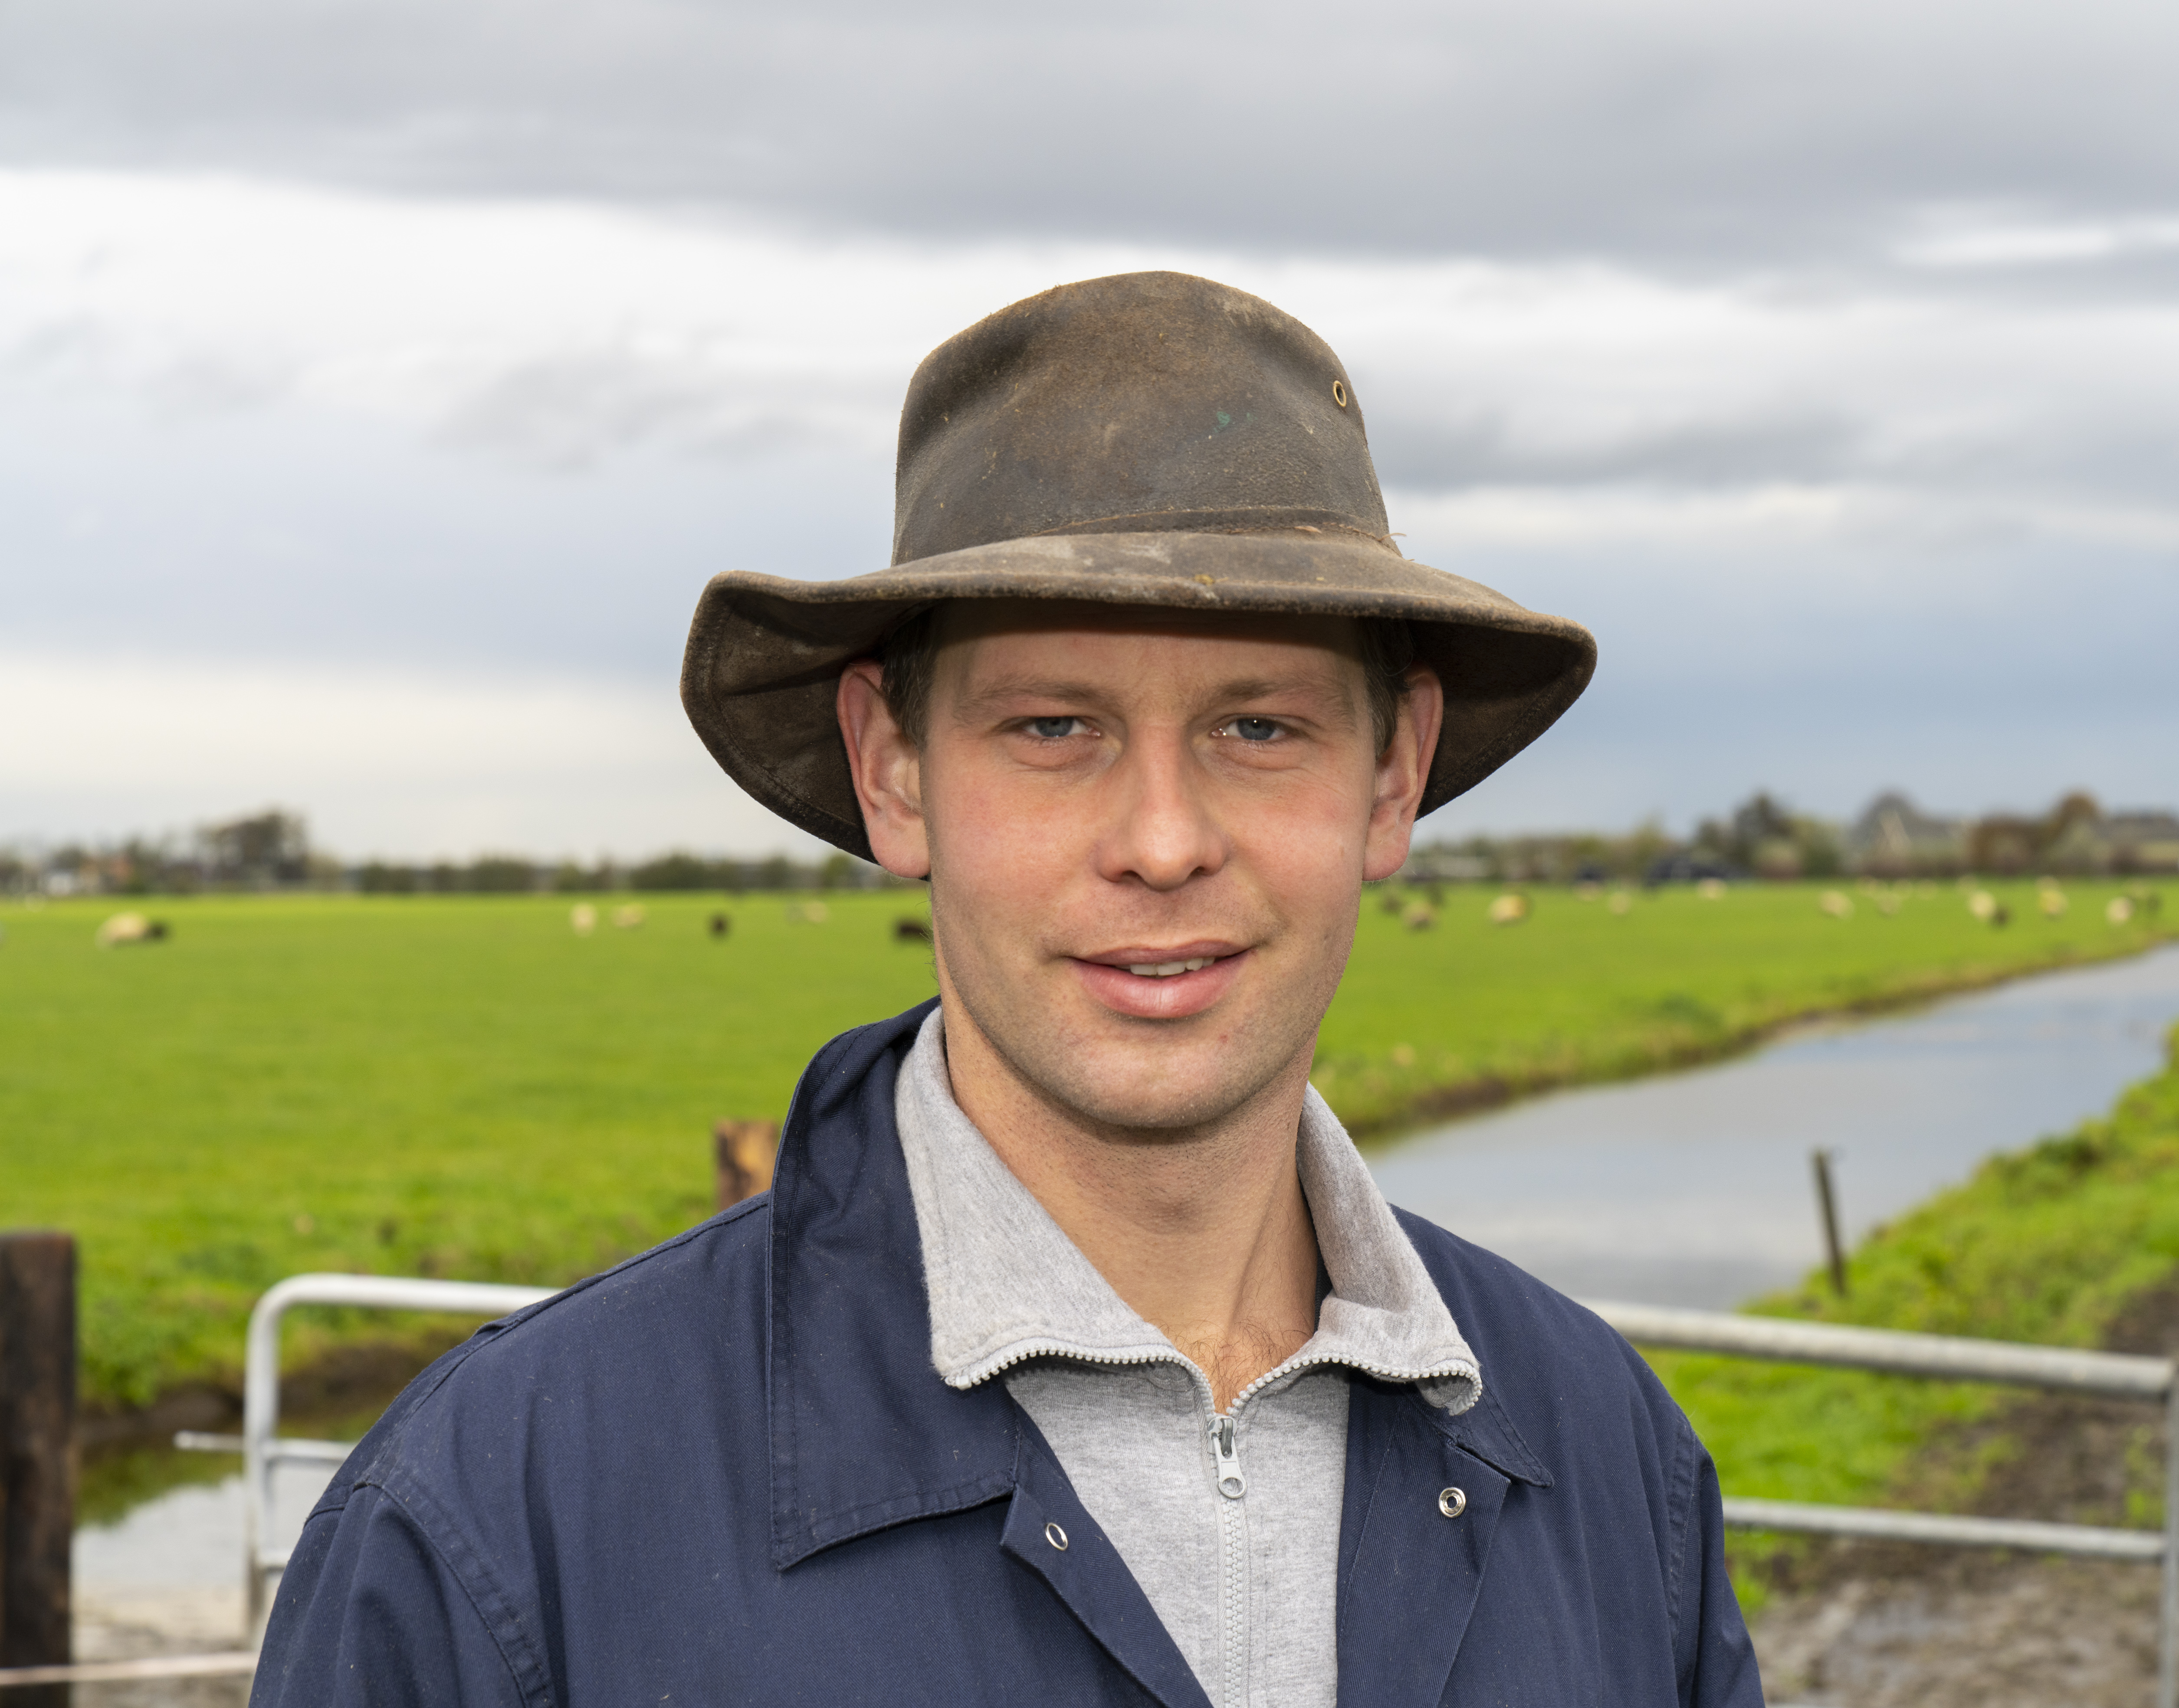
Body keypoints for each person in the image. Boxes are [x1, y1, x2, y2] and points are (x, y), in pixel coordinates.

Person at [251, 272, 1763, 1707]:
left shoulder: (1609, 1456)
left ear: (1395, 777)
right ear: (893, 773)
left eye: (1258, 726)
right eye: (1052, 728)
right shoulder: (504, 1513)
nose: (1163, 843)